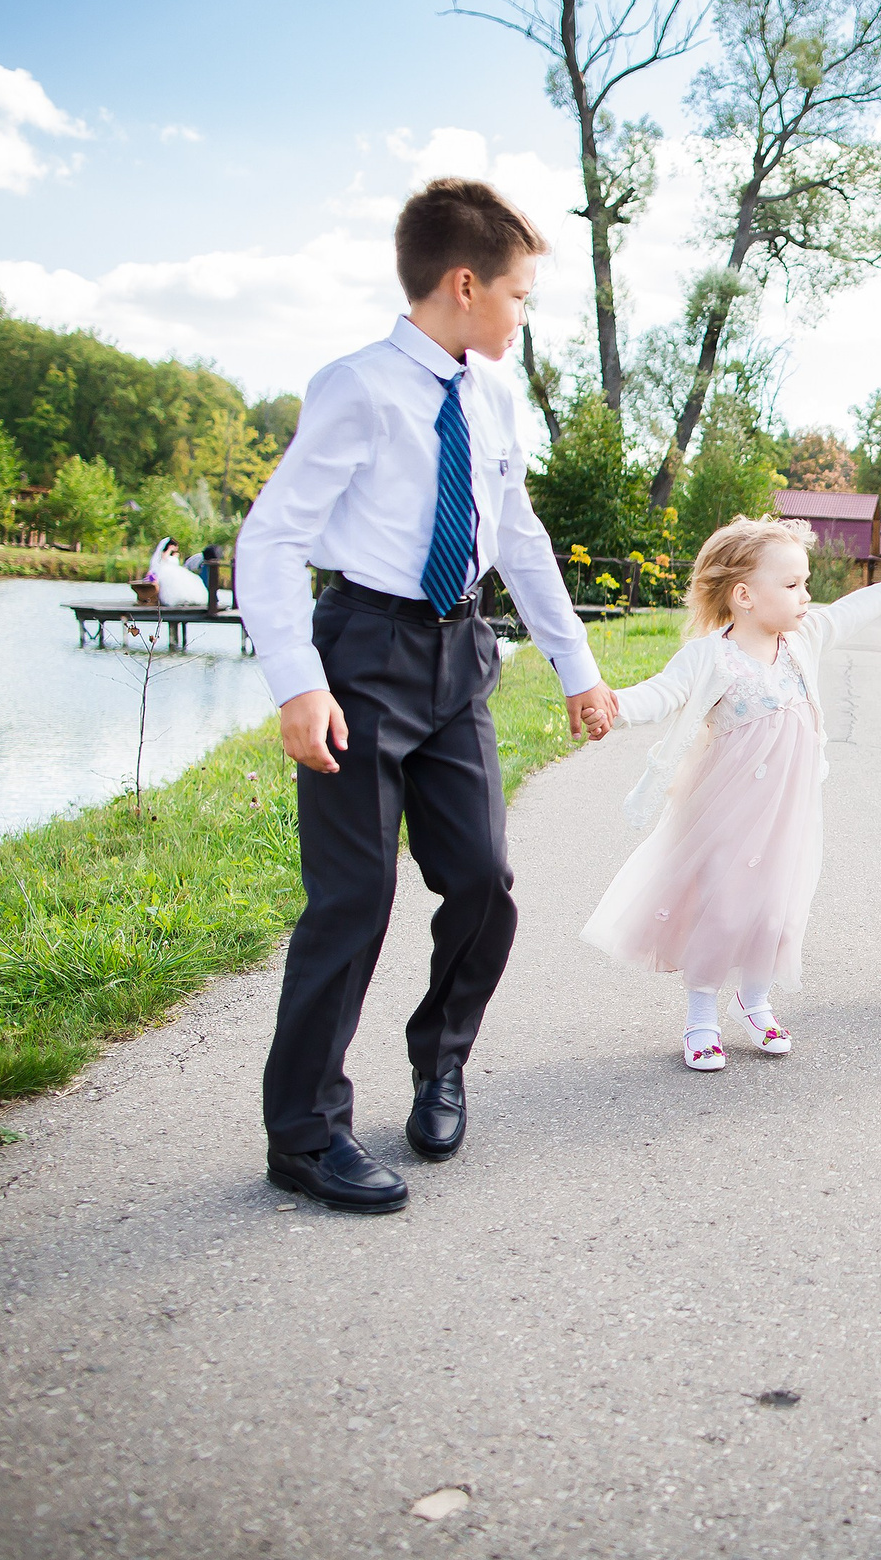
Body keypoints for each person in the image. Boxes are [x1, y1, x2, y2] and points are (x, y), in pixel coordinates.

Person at [236, 177, 616, 1214]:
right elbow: (267, 541)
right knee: (353, 900)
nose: (525, 315)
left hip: (459, 659)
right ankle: (305, 1135)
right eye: (521, 296)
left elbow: (519, 536)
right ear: (464, 285)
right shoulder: (357, 388)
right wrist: (298, 686)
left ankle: (439, 1062)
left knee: (485, 882)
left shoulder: (491, 393)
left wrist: (576, 667)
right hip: (361, 655)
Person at [581, 518, 881, 1070]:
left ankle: (756, 1000)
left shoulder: (802, 640)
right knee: (725, 906)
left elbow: (849, 610)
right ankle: (700, 1017)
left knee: (776, 908)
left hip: (789, 811)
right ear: (744, 596)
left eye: (805, 584)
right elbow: (660, 695)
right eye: (792, 586)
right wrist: (611, 706)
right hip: (726, 812)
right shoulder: (708, 656)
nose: (806, 596)